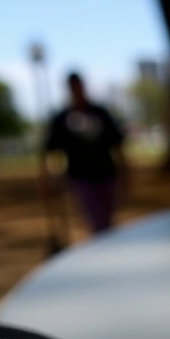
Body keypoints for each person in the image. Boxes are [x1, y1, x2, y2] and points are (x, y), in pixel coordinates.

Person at [39, 73, 130, 235]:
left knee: (107, 218)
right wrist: (49, 179)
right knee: (98, 221)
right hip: (81, 177)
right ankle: (103, 251)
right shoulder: (62, 118)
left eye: (78, 86)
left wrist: (126, 171)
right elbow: (51, 151)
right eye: (73, 87)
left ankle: (105, 248)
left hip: (107, 172)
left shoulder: (100, 113)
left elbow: (117, 144)